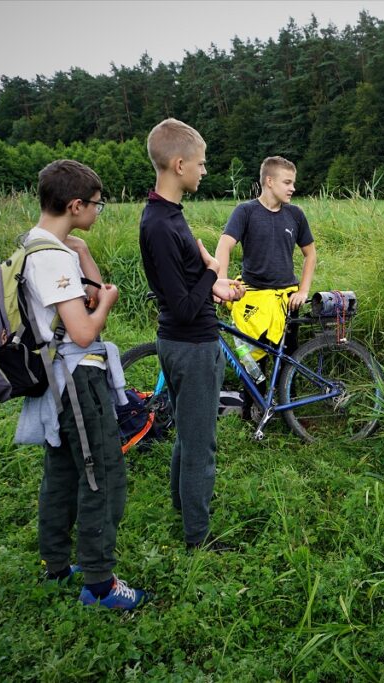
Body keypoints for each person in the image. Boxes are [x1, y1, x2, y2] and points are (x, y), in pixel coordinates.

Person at [13, 159, 145, 610]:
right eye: (96, 204)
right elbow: (85, 330)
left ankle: (56, 567)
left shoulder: (36, 246)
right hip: (75, 381)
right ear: (75, 204)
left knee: (63, 472)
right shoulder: (51, 259)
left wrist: (84, 252)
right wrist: (106, 301)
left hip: (55, 382)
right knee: (101, 474)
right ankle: (100, 584)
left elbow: (76, 298)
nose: (98, 210)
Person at [138, 118, 244, 550]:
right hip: (191, 345)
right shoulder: (161, 225)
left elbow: (183, 286)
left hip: (185, 341)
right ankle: (197, 538)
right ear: (179, 164)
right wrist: (213, 270)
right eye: (200, 164)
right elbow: (181, 306)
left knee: (187, 431)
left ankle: (183, 509)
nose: (204, 171)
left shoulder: (168, 216)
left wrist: (212, 285)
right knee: (201, 446)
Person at [214, 156, 316, 357]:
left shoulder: (295, 214)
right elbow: (224, 246)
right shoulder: (246, 211)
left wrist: (303, 291)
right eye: (287, 182)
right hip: (252, 299)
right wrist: (221, 282)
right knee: (253, 364)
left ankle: (287, 389)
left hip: (286, 300)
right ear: (269, 181)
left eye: (293, 183)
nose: (292, 188)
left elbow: (310, 254)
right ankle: (258, 389)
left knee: (288, 361)